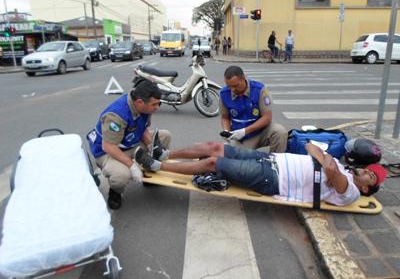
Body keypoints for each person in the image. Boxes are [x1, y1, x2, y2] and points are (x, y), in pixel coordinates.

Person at [134, 142, 388, 207]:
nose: (365, 172)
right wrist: (323, 158)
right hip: (272, 159)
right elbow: (311, 146)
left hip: (273, 179)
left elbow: (329, 167)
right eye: (368, 169)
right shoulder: (344, 172)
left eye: (370, 176)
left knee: (213, 162)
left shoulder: (351, 191)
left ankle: (157, 166)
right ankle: (165, 154)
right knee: (214, 147)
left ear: (366, 188)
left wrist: (324, 159)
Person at [87, 80, 172, 210]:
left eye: (158, 103)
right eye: (154, 104)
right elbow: (108, 146)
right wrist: (132, 166)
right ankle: (115, 191)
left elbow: (143, 128)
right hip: (108, 151)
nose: (157, 107)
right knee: (121, 176)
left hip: (129, 142)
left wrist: (152, 147)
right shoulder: (116, 115)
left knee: (165, 136)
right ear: (139, 102)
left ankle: (149, 173)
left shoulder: (143, 106)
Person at [219, 65, 287, 152]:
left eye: (235, 85)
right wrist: (226, 131)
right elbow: (225, 117)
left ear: (243, 78)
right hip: (241, 138)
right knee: (240, 161)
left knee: (280, 132)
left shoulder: (259, 90)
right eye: (229, 86)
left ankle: (276, 162)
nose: (232, 89)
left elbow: (267, 118)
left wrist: (244, 131)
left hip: (261, 131)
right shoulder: (224, 94)